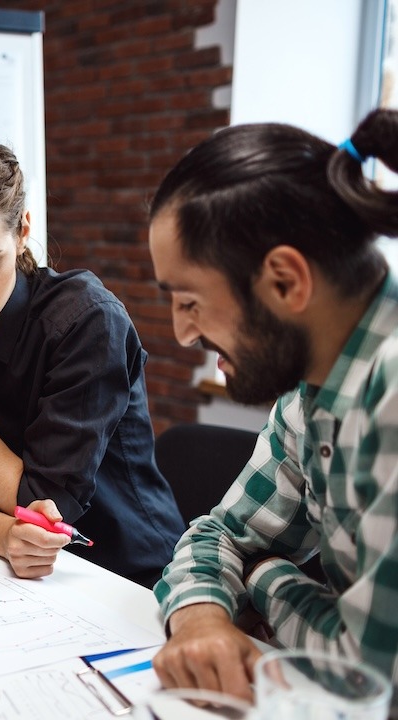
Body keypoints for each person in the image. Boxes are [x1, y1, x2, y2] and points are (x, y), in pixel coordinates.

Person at [147, 109, 398, 709]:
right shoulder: (310, 393)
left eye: (189, 300)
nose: (183, 334)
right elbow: (219, 535)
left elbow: (370, 680)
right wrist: (203, 618)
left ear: (285, 282)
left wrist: (262, 578)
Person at [0, 133, 183, 587]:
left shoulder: (87, 322)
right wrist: (5, 535)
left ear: (23, 232)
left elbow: (35, 505)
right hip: (3, 568)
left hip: (126, 576)